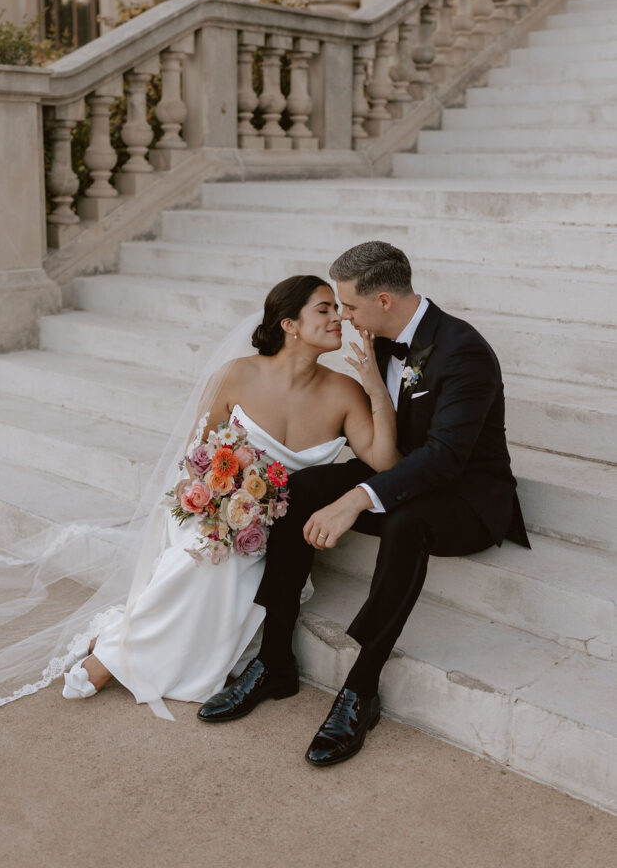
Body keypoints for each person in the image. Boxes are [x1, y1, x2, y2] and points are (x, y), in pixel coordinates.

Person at [198, 241, 530, 767]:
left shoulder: (464, 351)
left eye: (348, 307)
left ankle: (361, 688)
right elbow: (388, 449)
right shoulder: (378, 340)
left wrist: (357, 499)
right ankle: (275, 660)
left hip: (467, 496)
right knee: (295, 488)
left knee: (407, 522)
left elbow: (444, 460)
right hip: (401, 469)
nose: (343, 318)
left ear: (382, 299)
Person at [61, 274, 400, 718]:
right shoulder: (237, 375)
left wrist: (376, 389)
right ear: (289, 324)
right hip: (213, 508)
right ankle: (115, 655)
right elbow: (193, 455)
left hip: (279, 524)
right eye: (325, 309)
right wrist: (218, 500)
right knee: (204, 553)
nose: (339, 317)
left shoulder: (345, 392)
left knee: (231, 559)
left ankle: (114, 652)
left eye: (339, 309)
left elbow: (385, 465)